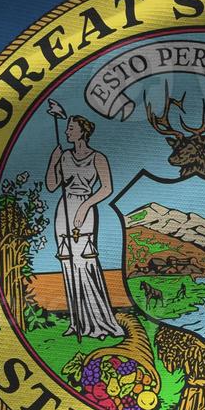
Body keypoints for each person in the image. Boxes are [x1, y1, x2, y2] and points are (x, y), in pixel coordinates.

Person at [45, 115, 124, 338]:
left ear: (82, 131)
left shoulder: (98, 157)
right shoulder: (65, 156)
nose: (67, 132)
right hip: (64, 210)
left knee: (84, 262)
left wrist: (84, 208)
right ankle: (76, 322)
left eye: (71, 128)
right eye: (67, 128)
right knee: (68, 263)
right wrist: (53, 162)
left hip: (85, 209)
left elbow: (106, 188)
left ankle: (98, 321)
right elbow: (52, 186)